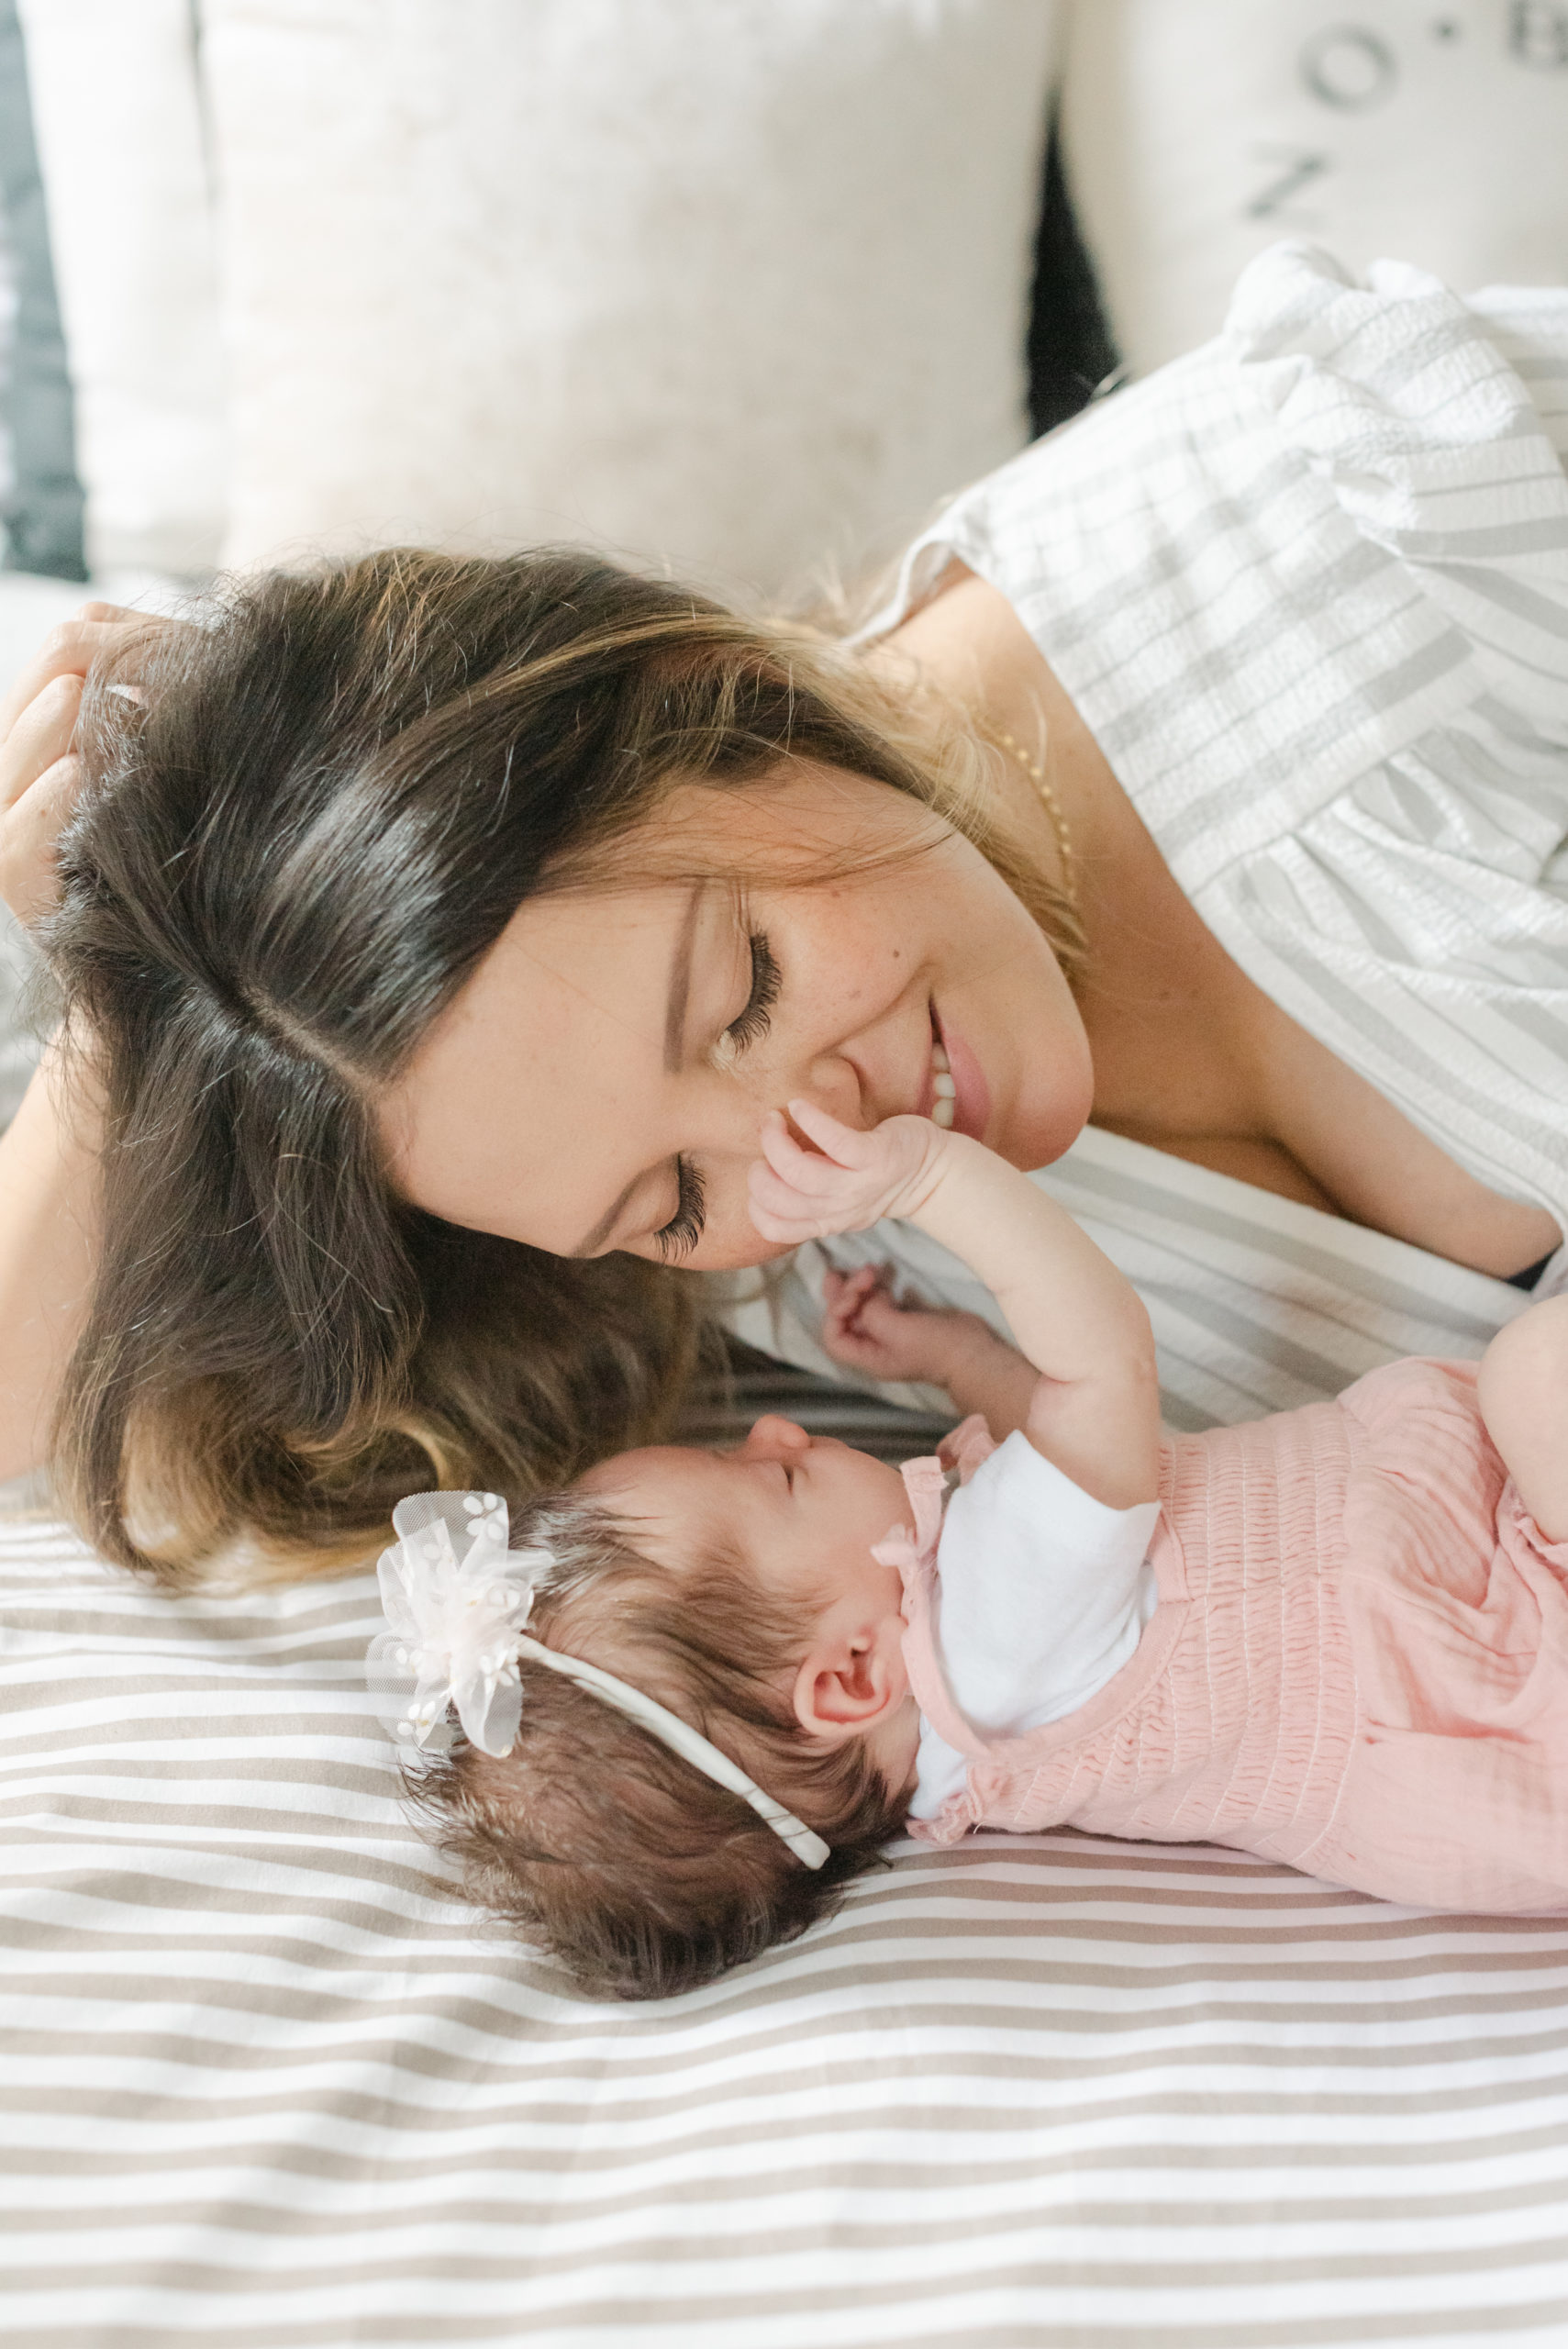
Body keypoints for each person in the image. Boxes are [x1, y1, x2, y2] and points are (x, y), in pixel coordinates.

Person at [0, 243, 1566, 1579]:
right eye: (669, 1198)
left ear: (721, 702)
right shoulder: (804, 1262)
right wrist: (127, 1006)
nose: (816, 1140)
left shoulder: (1372, 500)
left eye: (747, 988)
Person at [378, 1096, 1568, 2000]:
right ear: (848, 1677)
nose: (781, 1427)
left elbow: (1078, 1462)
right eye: (774, 1475)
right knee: (1538, 1372)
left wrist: (951, 1358)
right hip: (1495, 1642)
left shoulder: (976, 1705)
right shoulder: (992, 1629)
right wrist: (930, 1176)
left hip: (1458, 1689)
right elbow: (1100, 1368)